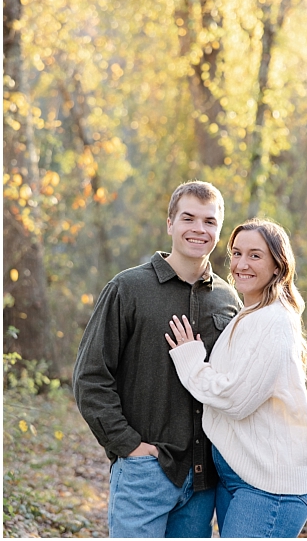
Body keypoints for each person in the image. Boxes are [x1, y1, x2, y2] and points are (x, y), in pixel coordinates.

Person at [73, 181, 241, 537]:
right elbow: (90, 376)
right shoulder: (128, 288)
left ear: (219, 229)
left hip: (204, 481)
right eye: (188, 218)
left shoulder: (229, 300)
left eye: (209, 221)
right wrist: (129, 446)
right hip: (144, 473)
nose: (199, 229)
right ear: (169, 224)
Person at [166, 217, 307, 538]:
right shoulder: (249, 314)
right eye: (236, 253)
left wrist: (190, 360)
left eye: (255, 255)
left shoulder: (275, 322)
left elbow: (236, 401)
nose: (241, 264)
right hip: (239, 474)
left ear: (278, 266)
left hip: (270, 486)